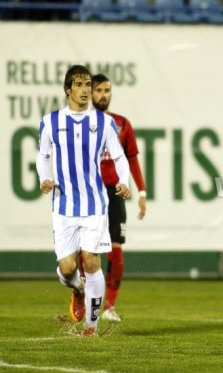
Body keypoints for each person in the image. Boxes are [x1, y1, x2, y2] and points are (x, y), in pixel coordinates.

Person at [36, 65, 131, 336]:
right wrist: (45, 177)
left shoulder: (103, 122)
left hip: (95, 205)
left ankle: (91, 327)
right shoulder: (51, 122)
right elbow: (43, 155)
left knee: (91, 261)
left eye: (88, 84)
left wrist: (124, 181)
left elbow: (119, 156)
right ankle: (77, 288)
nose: (86, 89)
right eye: (79, 84)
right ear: (68, 90)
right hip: (64, 205)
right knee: (68, 268)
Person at [91, 74, 147, 323]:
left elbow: (132, 158)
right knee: (89, 252)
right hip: (89, 194)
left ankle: (109, 306)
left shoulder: (122, 124)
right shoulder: (81, 124)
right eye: (99, 90)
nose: (104, 94)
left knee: (116, 251)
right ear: (89, 94)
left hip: (114, 194)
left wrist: (142, 192)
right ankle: (85, 298)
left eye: (107, 90)